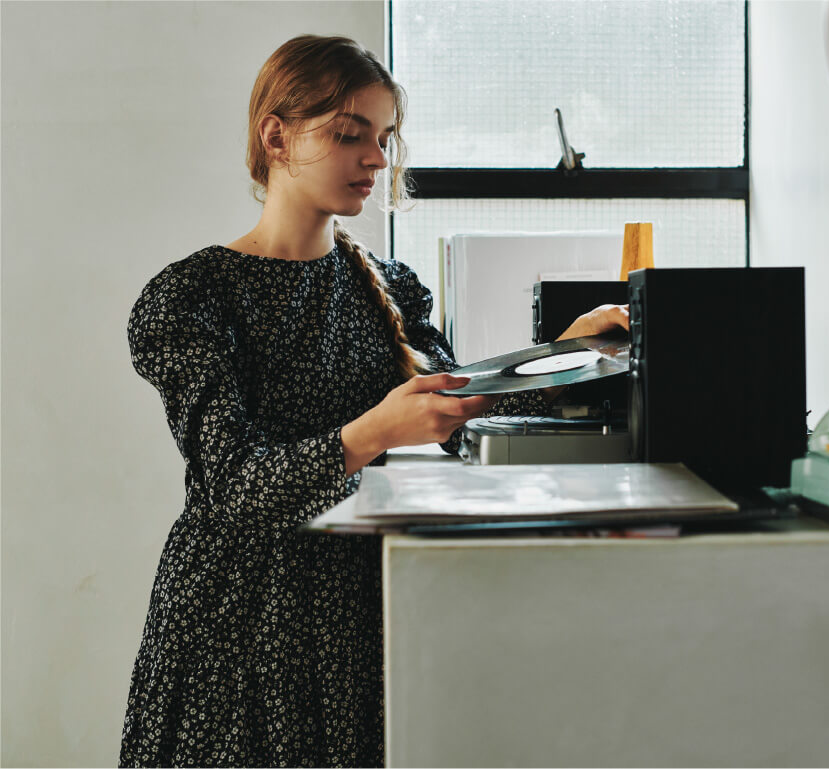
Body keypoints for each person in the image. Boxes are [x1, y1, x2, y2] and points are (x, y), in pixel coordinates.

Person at [119, 34, 627, 768]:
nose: (378, 160)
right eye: (350, 135)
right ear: (276, 135)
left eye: (384, 138)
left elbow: (458, 404)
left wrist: (569, 349)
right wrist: (368, 432)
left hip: (358, 607)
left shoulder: (389, 285)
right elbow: (233, 481)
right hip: (234, 626)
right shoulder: (192, 298)